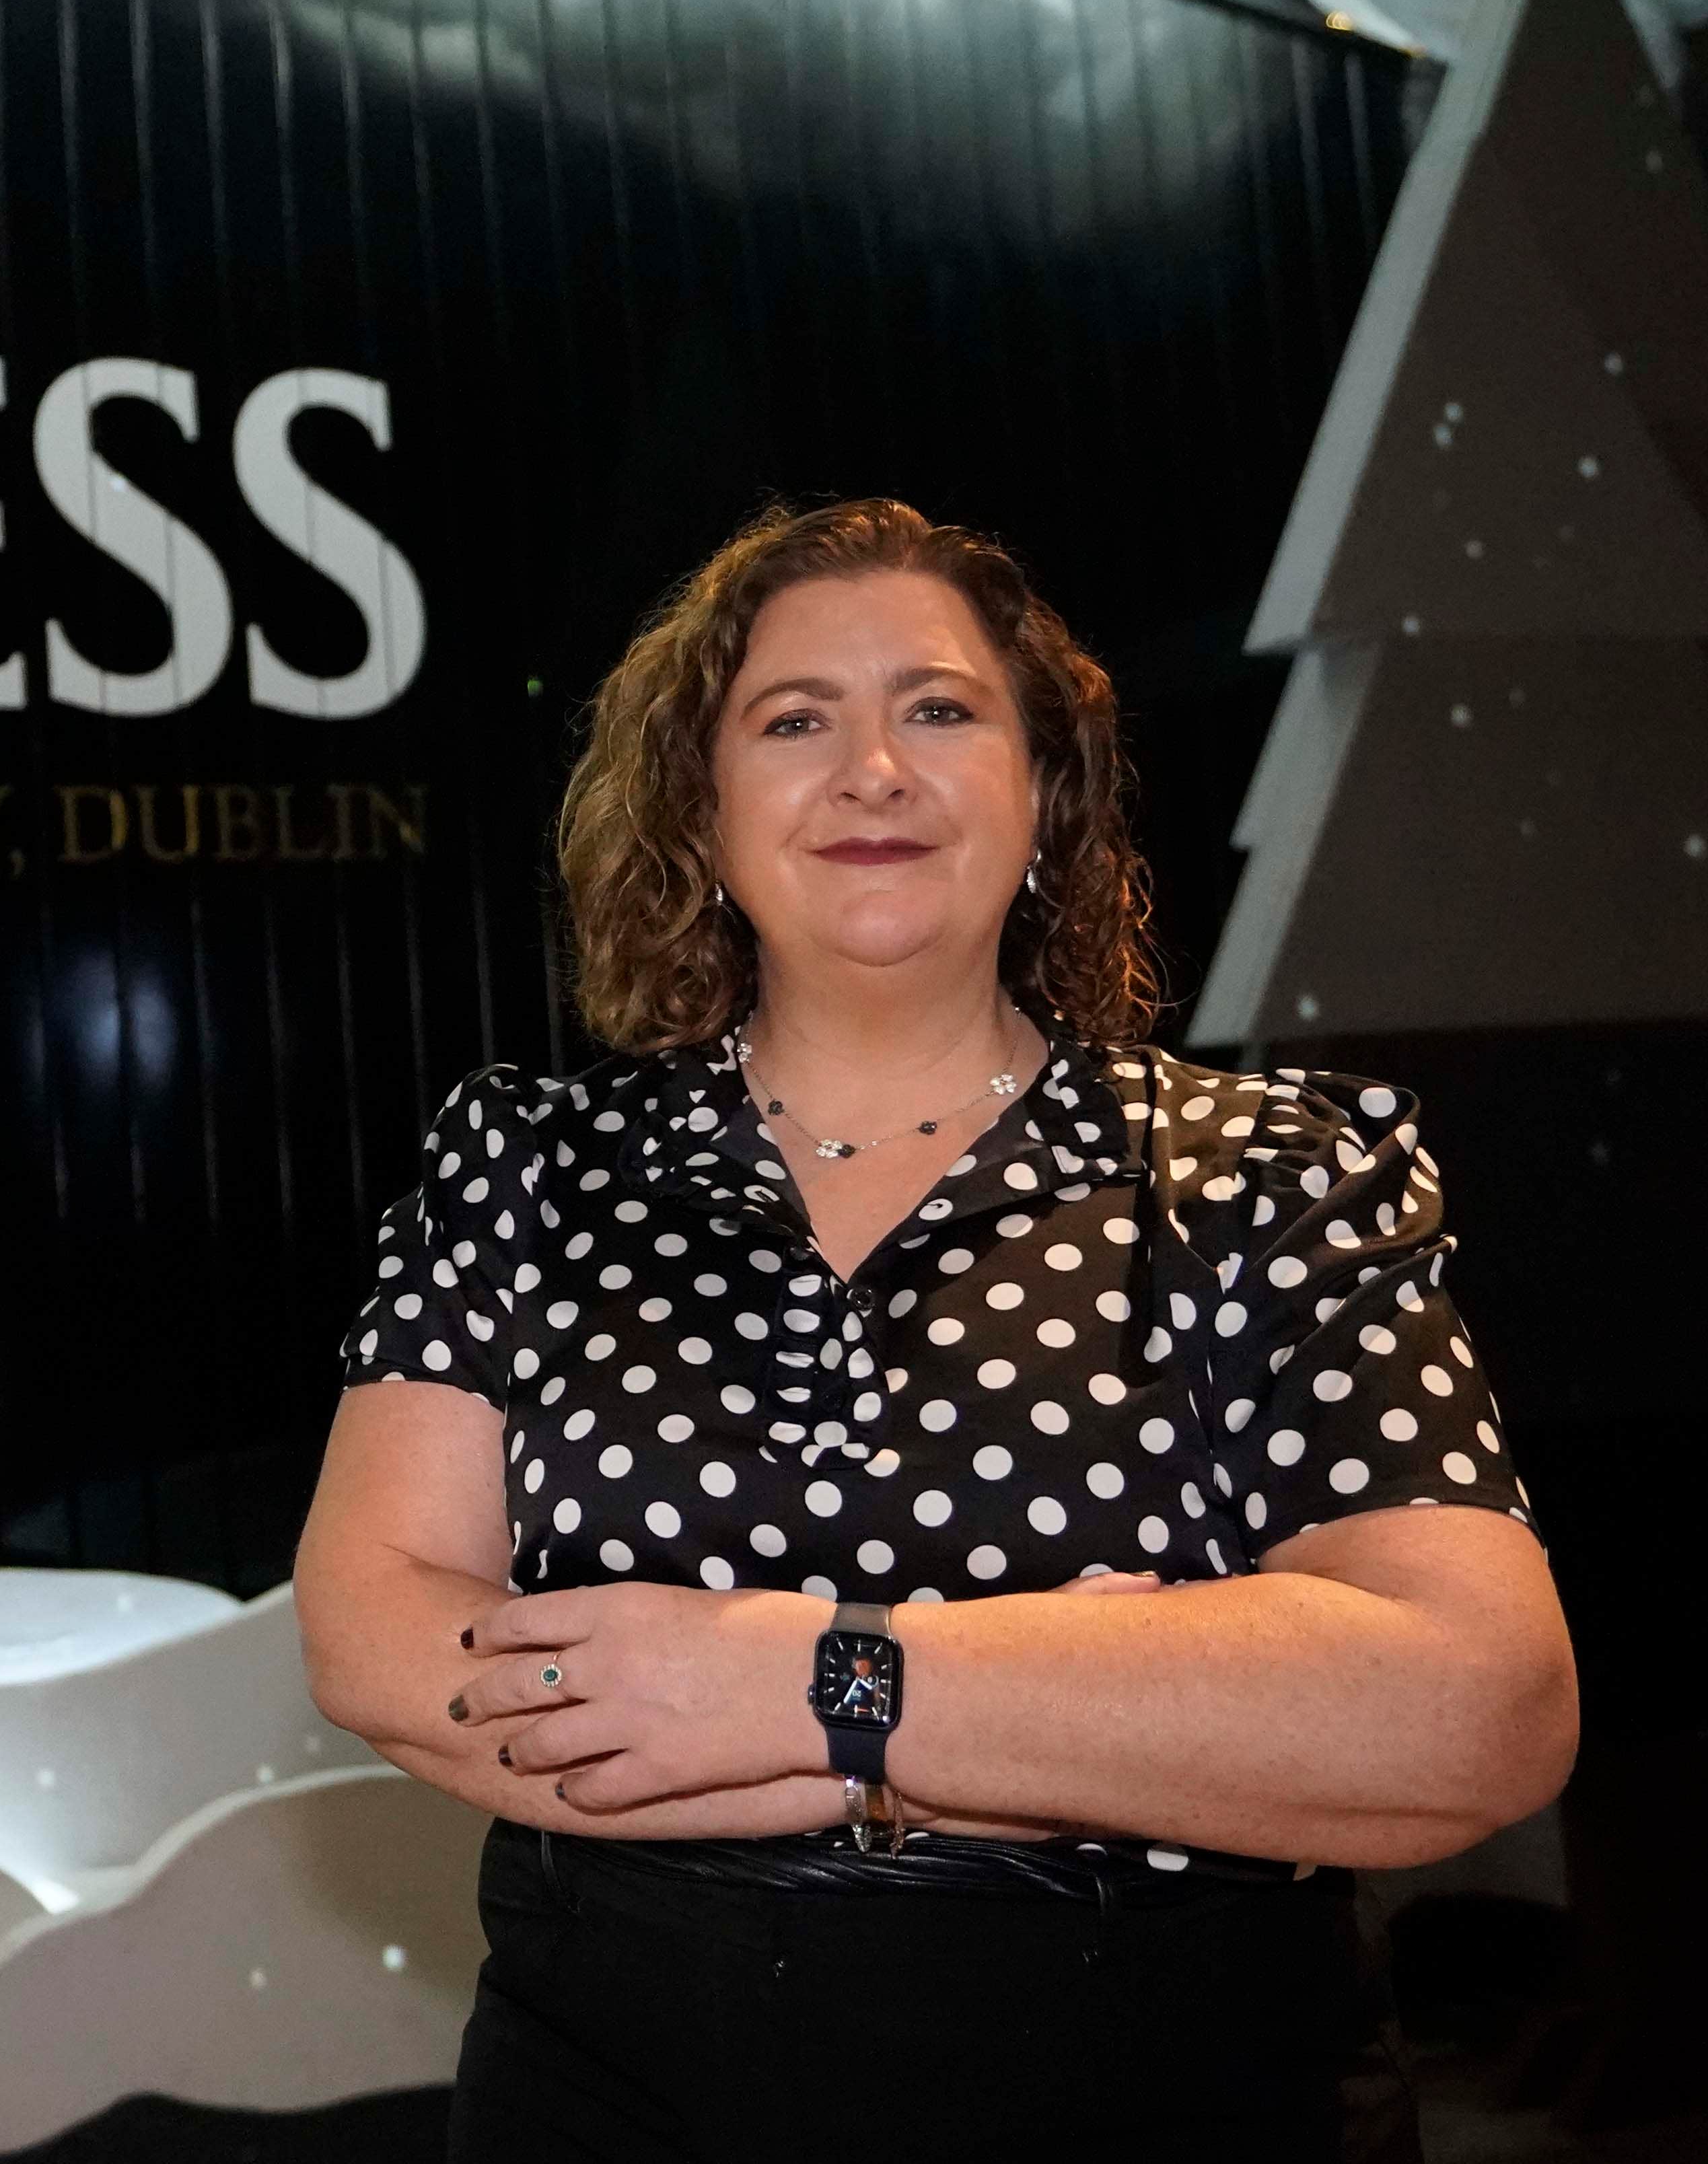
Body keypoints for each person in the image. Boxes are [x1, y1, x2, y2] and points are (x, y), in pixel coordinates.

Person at [292, 499, 1575, 2163]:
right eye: (795, 719)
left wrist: (801, 1686)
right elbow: (377, 1641)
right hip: (614, 2091)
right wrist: (1077, 1707)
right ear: (704, 808)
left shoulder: (1265, 1171)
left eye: (940, 708)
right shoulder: (532, 1164)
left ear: (1046, 792)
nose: (872, 769)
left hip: (1180, 2092)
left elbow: (1474, 1707)